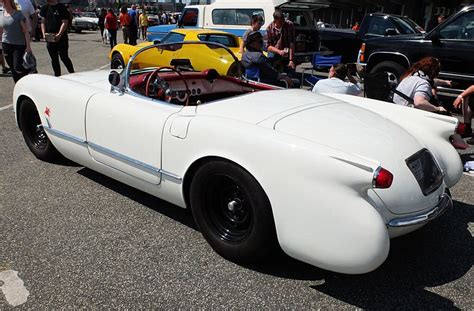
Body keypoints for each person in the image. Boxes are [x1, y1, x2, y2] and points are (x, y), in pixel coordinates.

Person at [40, 0, 74, 77]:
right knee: (54, 58)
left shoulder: (62, 7)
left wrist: (59, 34)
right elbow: (43, 22)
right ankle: (57, 76)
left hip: (61, 37)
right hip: (50, 36)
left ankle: (72, 73)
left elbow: (65, 22)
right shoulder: (44, 8)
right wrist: (43, 34)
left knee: (64, 57)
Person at [0, 0, 31, 82]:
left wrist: (28, 47)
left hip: (19, 45)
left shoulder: (18, 14)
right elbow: (1, 31)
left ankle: (30, 73)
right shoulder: (1, 15)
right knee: (13, 69)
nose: (2, 2)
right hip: (6, 45)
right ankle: (17, 85)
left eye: (4, 0)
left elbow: (26, 31)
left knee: (17, 67)